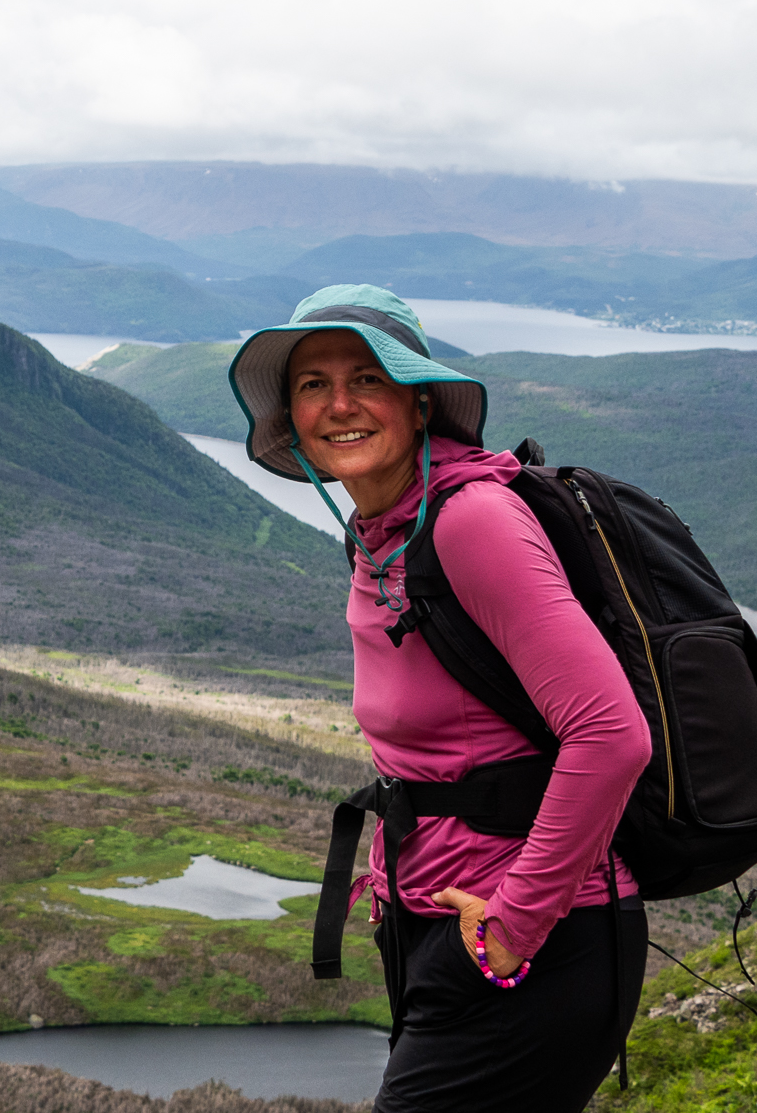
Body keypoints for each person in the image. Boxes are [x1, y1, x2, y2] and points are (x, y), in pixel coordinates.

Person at [229, 285, 652, 1113]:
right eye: (313, 384)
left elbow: (612, 734)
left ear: (420, 405)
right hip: (447, 930)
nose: (339, 404)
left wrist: (510, 930)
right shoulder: (385, 529)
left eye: (368, 378)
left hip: (537, 942)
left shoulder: (471, 521)